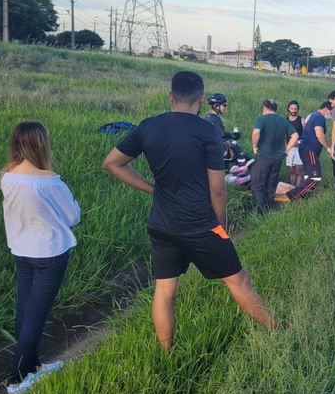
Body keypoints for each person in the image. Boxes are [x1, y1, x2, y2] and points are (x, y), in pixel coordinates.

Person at [102, 71, 278, 351]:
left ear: (171, 96)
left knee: (164, 292)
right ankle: (276, 329)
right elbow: (218, 188)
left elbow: (112, 163)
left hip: (161, 223)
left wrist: (152, 188)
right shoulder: (207, 131)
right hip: (199, 224)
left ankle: (167, 351)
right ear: (200, 98)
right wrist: (220, 225)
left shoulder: (148, 126)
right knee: (238, 281)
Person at [0, 121, 79, 394]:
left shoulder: (7, 176)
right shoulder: (50, 180)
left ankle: (32, 367)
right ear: (41, 144)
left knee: (25, 310)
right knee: (36, 315)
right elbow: (72, 217)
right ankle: (16, 379)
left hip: (21, 250)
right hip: (50, 253)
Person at [251, 99, 299, 213]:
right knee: (271, 185)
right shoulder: (283, 120)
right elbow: (295, 136)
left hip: (264, 157)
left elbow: (256, 132)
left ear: (265, 108)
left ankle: (261, 213)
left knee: (257, 185)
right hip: (277, 160)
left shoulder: (261, 119)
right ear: (275, 109)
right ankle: (270, 208)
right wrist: (286, 149)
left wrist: (254, 146)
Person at [287, 101, 333, 200]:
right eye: (331, 112)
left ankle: (305, 196)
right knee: (315, 177)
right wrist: (328, 148)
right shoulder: (319, 117)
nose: (331, 115)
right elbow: (319, 134)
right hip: (310, 150)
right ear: (326, 109)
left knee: (308, 176)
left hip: (304, 149)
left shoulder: (312, 115)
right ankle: (294, 194)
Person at [285, 100, 305, 186]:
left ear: (298, 109)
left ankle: (298, 190)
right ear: (288, 109)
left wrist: (299, 142)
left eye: (295, 109)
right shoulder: (285, 120)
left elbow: (306, 134)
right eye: (292, 108)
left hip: (299, 147)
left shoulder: (301, 120)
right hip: (289, 148)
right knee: (292, 170)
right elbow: (283, 135)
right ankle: (292, 188)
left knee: (299, 170)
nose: (293, 110)